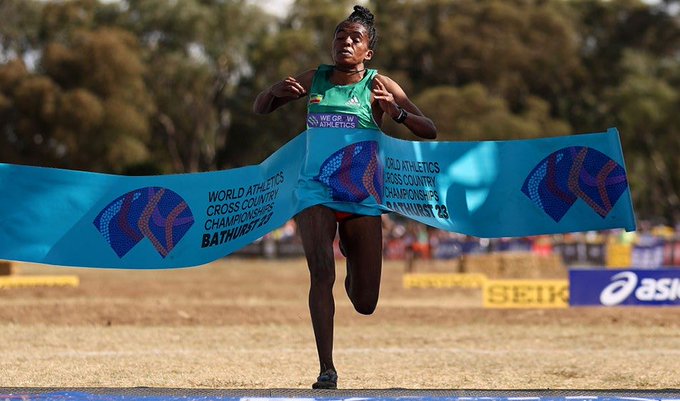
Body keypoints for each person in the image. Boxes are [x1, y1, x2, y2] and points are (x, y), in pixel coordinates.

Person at [253, 5, 437, 389]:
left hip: (361, 195)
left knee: (365, 301)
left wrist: (397, 114)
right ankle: (327, 369)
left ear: (368, 51)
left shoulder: (378, 85)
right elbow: (260, 109)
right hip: (315, 189)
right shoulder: (316, 78)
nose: (346, 42)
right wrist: (273, 93)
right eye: (340, 36)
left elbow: (429, 130)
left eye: (355, 38)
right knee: (321, 274)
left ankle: (355, 259)